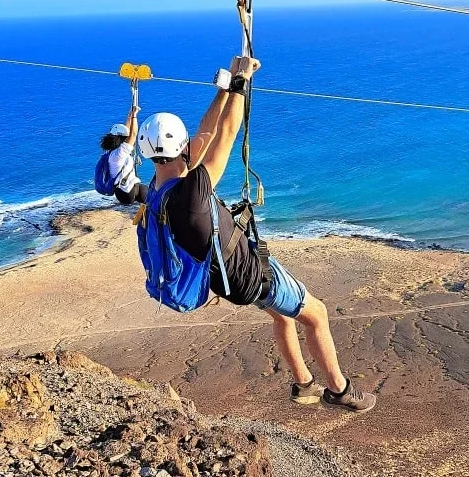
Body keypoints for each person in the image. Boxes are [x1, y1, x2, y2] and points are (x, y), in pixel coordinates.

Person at [137, 56, 376, 413]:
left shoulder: (156, 189)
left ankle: (304, 385)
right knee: (317, 314)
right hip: (251, 275)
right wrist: (242, 81)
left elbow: (205, 135)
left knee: (282, 315)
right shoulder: (192, 196)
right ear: (182, 148)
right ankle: (340, 390)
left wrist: (224, 89)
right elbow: (225, 136)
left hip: (226, 281)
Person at [99, 106, 148, 204]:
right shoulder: (119, 153)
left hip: (122, 191)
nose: (126, 139)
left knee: (150, 197)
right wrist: (134, 116)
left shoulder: (111, 151)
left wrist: (130, 115)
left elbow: (127, 132)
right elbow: (133, 135)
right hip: (128, 192)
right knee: (154, 196)